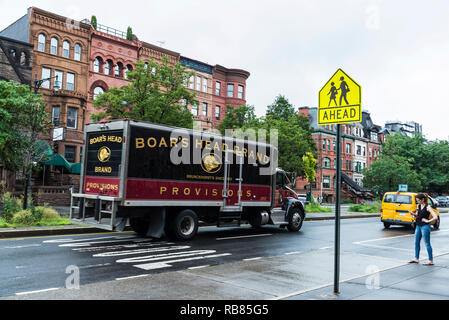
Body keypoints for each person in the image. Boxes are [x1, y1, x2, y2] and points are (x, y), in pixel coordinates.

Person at [408, 193, 438, 265]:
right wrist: (414, 214)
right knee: (416, 242)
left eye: (418, 200)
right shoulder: (418, 206)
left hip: (425, 226)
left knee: (427, 243)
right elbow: (418, 216)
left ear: (422, 200)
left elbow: (435, 217)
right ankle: (416, 258)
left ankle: (430, 260)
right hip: (418, 226)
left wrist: (428, 221)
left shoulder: (428, 207)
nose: (417, 201)